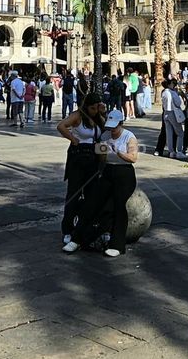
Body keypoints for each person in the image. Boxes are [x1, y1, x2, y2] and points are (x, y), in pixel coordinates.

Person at [63, 108, 139, 257]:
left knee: (118, 206)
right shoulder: (105, 136)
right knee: (91, 203)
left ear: (121, 124)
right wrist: (101, 158)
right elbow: (101, 157)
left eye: (115, 127)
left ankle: (117, 245)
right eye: (110, 127)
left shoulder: (129, 137)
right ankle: (77, 239)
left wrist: (119, 152)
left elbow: (133, 158)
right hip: (108, 171)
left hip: (124, 173)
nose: (112, 130)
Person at [56, 90, 107, 245]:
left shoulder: (98, 118)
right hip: (78, 157)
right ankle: (67, 229)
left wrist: (103, 113)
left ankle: (86, 226)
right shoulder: (78, 115)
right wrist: (73, 139)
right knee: (74, 193)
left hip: (93, 157)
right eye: (93, 108)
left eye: (97, 108)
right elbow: (61, 126)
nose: (94, 111)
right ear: (87, 106)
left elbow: (105, 134)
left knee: (92, 195)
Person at [161, 79, 186, 158]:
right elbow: (178, 103)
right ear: (169, 84)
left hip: (166, 112)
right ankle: (179, 151)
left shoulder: (164, 92)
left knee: (169, 133)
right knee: (180, 133)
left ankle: (171, 151)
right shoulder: (173, 93)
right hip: (173, 113)